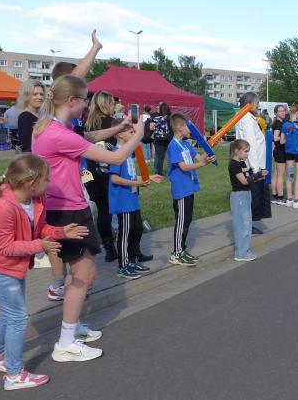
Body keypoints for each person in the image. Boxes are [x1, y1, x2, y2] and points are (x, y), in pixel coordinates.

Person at [32, 75, 144, 362]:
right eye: (84, 100)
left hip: (65, 206)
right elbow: (116, 158)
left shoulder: (52, 125)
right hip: (68, 209)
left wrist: (118, 127)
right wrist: (138, 134)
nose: (86, 105)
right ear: (72, 101)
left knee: (79, 272)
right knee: (85, 274)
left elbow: (88, 138)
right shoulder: (59, 133)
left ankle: (73, 326)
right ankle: (66, 342)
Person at [0, 155, 90, 389]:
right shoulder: (3, 207)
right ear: (31, 183)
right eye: (46, 179)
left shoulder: (34, 200)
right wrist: (40, 246)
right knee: (17, 318)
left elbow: (41, 228)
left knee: (9, 313)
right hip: (1, 270)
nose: (49, 183)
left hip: (15, 269)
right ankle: (14, 375)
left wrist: (61, 232)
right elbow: (5, 247)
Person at [109, 119, 162, 280]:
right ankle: (123, 266)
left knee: (136, 230)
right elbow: (115, 179)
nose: (134, 135)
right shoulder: (117, 154)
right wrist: (137, 183)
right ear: (120, 134)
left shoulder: (128, 154)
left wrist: (149, 177)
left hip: (132, 200)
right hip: (123, 202)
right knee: (125, 234)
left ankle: (132, 261)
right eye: (131, 132)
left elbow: (131, 176)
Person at [167, 113, 216, 266]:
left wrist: (209, 153)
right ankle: (176, 253)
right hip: (181, 189)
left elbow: (200, 159)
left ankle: (182, 249)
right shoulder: (173, 146)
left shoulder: (186, 144)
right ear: (179, 128)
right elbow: (183, 167)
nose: (191, 130)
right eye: (189, 127)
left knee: (187, 220)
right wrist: (202, 164)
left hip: (189, 188)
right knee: (181, 221)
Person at [84, 91, 119, 262]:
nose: (114, 106)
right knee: (113, 209)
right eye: (112, 103)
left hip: (89, 172)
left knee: (102, 211)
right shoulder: (110, 123)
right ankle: (122, 246)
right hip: (107, 172)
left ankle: (108, 247)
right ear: (106, 104)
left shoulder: (88, 124)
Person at [235, 92, 269, 233]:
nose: (258, 106)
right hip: (252, 166)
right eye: (257, 104)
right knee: (252, 199)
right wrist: (256, 170)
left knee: (250, 199)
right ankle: (246, 227)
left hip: (251, 164)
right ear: (250, 104)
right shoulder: (247, 119)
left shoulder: (244, 117)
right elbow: (250, 145)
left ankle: (247, 226)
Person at [228, 139, 260, 262]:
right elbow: (244, 181)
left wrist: (259, 176)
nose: (247, 154)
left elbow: (249, 177)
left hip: (246, 194)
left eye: (248, 151)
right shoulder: (234, 164)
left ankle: (245, 249)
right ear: (237, 151)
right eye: (246, 151)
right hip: (239, 196)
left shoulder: (242, 163)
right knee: (242, 225)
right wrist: (257, 176)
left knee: (247, 224)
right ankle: (240, 253)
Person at [16, 79, 46, 153]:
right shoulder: (24, 117)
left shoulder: (44, 115)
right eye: (35, 94)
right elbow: (27, 147)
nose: (40, 97)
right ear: (26, 96)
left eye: (41, 94)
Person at [270, 104, 289, 204]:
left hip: (278, 150)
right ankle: (280, 198)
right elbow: (275, 137)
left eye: (284, 110)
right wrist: (287, 138)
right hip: (280, 151)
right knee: (280, 175)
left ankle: (274, 196)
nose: (283, 112)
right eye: (280, 111)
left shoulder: (280, 122)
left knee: (276, 174)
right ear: (276, 113)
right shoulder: (278, 124)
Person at [151, 102, 173, 175]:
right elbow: (173, 128)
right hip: (169, 139)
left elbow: (151, 127)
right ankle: (172, 172)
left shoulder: (154, 116)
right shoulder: (171, 117)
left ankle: (157, 173)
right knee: (170, 156)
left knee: (158, 157)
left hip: (158, 139)